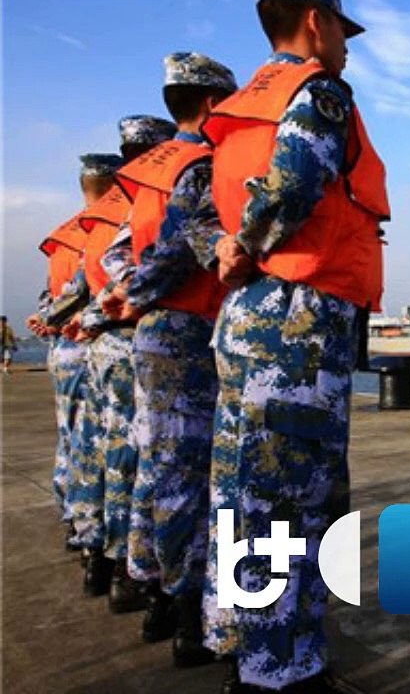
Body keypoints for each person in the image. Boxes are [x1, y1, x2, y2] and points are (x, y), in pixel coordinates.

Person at [202, 0, 388, 690]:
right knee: (293, 501)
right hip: (298, 320)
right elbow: (292, 185)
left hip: (251, 316)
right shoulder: (317, 94)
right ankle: (281, 672)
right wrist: (247, 244)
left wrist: (229, 249)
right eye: (342, 29)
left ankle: (241, 643)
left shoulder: (234, 114)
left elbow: (210, 212)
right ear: (316, 22)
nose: (346, 45)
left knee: (244, 491)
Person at [105, 51, 237, 665]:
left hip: (157, 332)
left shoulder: (147, 177)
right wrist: (139, 292)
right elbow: (184, 246)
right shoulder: (199, 166)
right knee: (193, 478)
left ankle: (156, 594)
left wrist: (125, 291)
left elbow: (117, 252)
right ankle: (189, 617)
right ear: (210, 104)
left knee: (159, 469)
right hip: (187, 328)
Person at [65, 116, 177, 607]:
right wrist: (133, 298)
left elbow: (82, 287)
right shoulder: (157, 198)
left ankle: (105, 557)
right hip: (144, 336)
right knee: (153, 461)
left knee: (106, 453)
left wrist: (92, 316)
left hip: (107, 344)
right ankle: (147, 578)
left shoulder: (101, 222)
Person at [38, 154, 124, 563]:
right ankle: (106, 541)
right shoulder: (110, 227)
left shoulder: (69, 235)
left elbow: (56, 294)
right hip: (97, 339)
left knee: (74, 438)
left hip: (66, 346)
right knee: (111, 445)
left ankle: (78, 522)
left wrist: (47, 318)